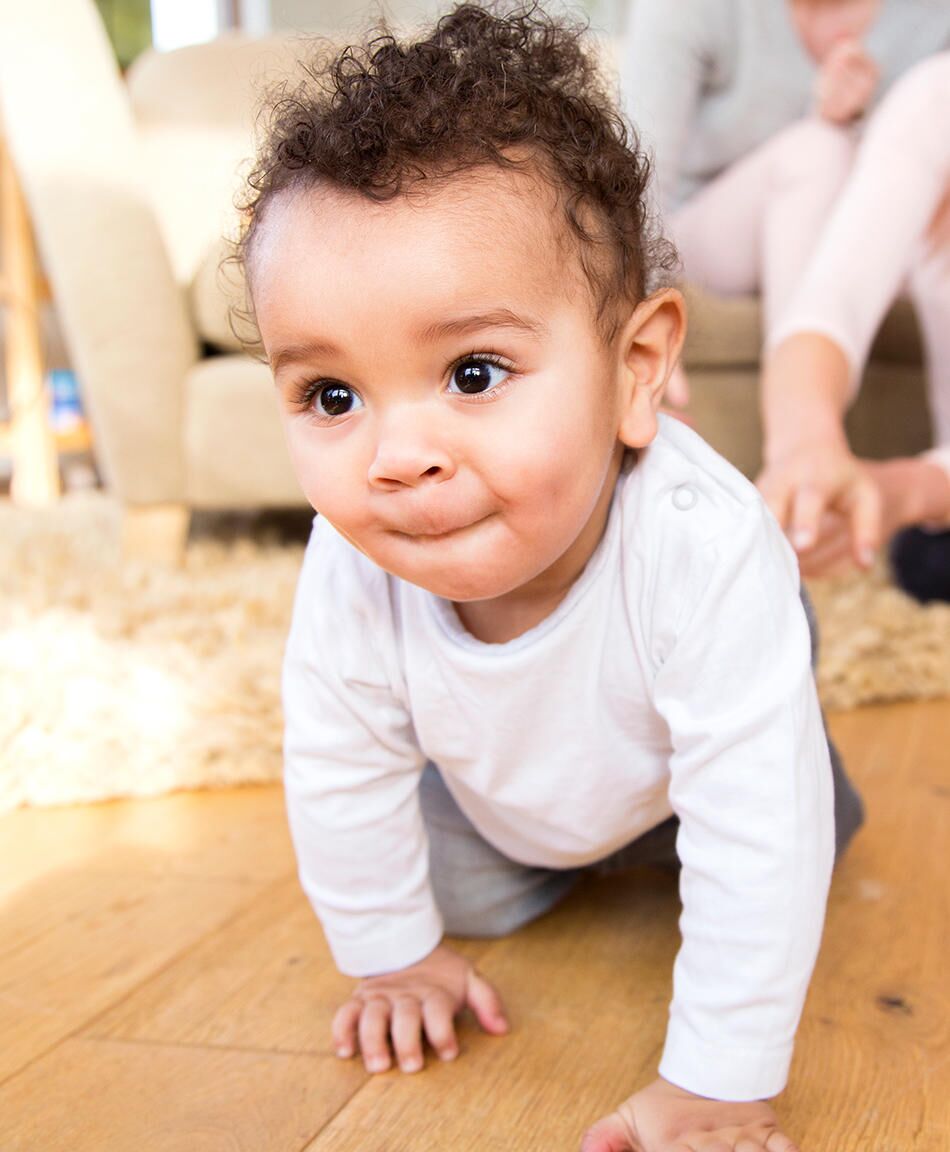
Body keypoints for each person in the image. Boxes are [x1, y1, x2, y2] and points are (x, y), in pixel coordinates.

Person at [237, 7, 862, 1150]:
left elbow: (759, 846)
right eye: (331, 396)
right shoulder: (352, 560)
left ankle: (769, 760)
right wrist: (390, 960)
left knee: (777, 833)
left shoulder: (698, 543)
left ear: (634, 371)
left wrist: (717, 1082)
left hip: (690, 746)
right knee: (446, 896)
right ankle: (590, 835)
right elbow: (339, 760)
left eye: (472, 372)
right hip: (523, 784)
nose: (396, 457)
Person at [621, 0, 950, 411]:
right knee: (816, 150)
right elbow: (636, 180)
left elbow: (904, 197)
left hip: (843, 242)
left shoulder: (933, 22)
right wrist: (640, 310)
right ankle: (800, 426)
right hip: (703, 234)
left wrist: (851, 120)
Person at [758, 53, 950, 598]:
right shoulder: (936, 100)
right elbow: (831, 300)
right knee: (928, 560)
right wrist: (804, 444)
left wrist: (909, 490)